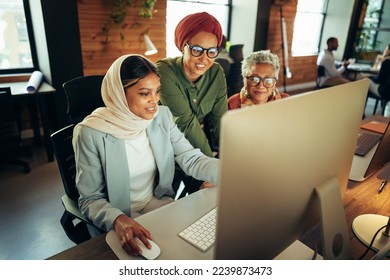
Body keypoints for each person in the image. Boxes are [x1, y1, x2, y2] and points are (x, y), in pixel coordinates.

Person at [72, 54, 219, 257]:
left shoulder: (162, 117)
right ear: (119, 94)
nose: (154, 101)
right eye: (144, 93)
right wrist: (117, 219)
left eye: (157, 91)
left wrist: (230, 172)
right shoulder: (91, 132)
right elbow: (89, 199)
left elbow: (191, 158)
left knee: (188, 250)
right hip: (118, 214)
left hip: (156, 202)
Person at [156, 12, 228, 195]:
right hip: (167, 149)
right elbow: (186, 123)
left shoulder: (216, 73)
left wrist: (229, 157)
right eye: (197, 49)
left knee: (209, 196)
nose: (204, 59)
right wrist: (210, 166)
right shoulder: (164, 71)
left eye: (212, 51)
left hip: (198, 148)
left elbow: (220, 119)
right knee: (166, 202)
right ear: (183, 47)